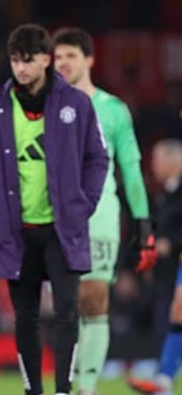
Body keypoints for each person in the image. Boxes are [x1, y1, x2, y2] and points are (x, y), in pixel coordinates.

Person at [0, 23, 109, 395]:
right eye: (15, 60)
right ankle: (34, 390)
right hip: (16, 231)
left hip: (62, 229)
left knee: (66, 311)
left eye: (28, 60)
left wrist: (84, 204)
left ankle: (63, 389)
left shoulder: (76, 104)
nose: (21, 68)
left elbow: (97, 158)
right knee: (26, 316)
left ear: (46, 60)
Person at [52, 26, 157, 395]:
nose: (63, 63)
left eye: (70, 56)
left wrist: (142, 221)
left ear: (89, 60)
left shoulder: (113, 110)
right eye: (57, 57)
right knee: (64, 302)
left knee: (94, 296)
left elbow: (130, 167)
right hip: (53, 217)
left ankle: (87, 386)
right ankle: (66, 381)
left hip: (100, 216)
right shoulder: (44, 107)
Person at [126, 138, 182, 395]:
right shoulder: (164, 193)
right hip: (172, 266)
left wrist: (171, 242)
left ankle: (164, 377)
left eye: (158, 159)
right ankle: (164, 378)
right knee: (176, 311)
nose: (153, 165)